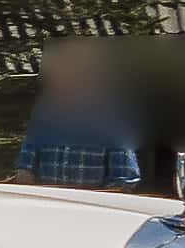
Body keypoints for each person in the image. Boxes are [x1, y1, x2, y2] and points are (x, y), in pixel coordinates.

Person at [9, 39, 144, 191]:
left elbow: (123, 181)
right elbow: (25, 170)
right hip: (47, 204)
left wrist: (84, 204)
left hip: (88, 208)